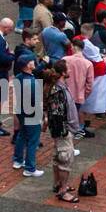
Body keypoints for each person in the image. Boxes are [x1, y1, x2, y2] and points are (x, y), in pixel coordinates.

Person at [44, 60, 79, 202]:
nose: (70, 70)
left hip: (63, 130)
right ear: (63, 73)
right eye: (68, 69)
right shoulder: (58, 90)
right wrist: (65, 132)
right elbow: (57, 115)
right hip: (63, 131)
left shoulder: (60, 87)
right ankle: (63, 191)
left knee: (58, 157)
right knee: (65, 158)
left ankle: (58, 184)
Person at [11, 53, 43, 177]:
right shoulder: (32, 82)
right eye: (32, 61)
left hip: (21, 112)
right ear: (28, 65)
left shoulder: (18, 77)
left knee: (22, 136)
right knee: (32, 141)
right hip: (32, 113)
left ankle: (18, 160)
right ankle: (30, 168)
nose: (34, 62)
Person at [64, 36, 95, 136]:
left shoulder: (65, 60)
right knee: (74, 115)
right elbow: (90, 84)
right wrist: (84, 94)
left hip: (65, 94)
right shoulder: (88, 64)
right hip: (78, 96)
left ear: (73, 47)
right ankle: (76, 131)